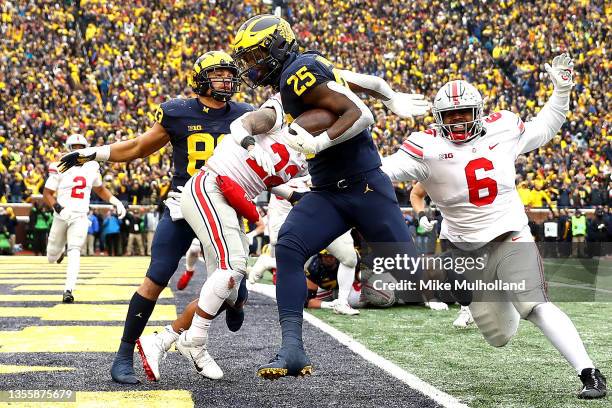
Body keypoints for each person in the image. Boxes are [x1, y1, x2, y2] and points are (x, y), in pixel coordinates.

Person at [381, 55, 606, 398]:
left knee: (536, 306)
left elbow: (545, 127)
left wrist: (562, 91)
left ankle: (590, 373)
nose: (457, 121)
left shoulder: (504, 128)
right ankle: (472, 291)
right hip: (462, 248)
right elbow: (384, 170)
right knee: (500, 336)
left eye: (464, 113)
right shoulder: (425, 146)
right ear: (438, 119)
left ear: (480, 112)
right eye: (450, 115)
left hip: (509, 237)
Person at [231, 14, 429, 379]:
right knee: (288, 247)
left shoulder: (298, 72)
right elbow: (363, 82)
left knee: (414, 276)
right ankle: (292, 348)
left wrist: (321, 141)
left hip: (364, 185)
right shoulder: (301, 70)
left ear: (276, 46)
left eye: (255, 54)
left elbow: (361, 114)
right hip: (327, 191)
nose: (251, 65)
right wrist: (391, 96)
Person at [58, 51, 253, 384]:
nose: (226, 80)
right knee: (157, 275)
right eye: (219, 74)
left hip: (223, 207)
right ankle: (123, 355)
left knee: (232, 286)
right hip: (183, 203)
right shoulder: (179, 112)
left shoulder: (247, 115)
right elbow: (137, 147)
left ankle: (235, 303)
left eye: (228, 74)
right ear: (201, 79)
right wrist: (92, 153)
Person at [248, 175, 361, 316]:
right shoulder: (282, 166)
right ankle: (270, 262)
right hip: (293, 212)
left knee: (349, 258)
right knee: (298, 266)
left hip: (310, 209)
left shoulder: (314, 165)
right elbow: (262, 181)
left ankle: (342, 302)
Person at [43, 134, 126, 303]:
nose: (78, 151)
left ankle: (68, 289)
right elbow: (47, 193)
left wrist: (115, 201)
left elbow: (100, 189)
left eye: (81, 147)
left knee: (75, 250)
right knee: (51, 256)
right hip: (61, 215)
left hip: (80, 215)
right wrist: (59, 208)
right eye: (75, 147)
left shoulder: (92, 166)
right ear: (69, 148)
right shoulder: (59, 165)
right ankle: (59, 253)